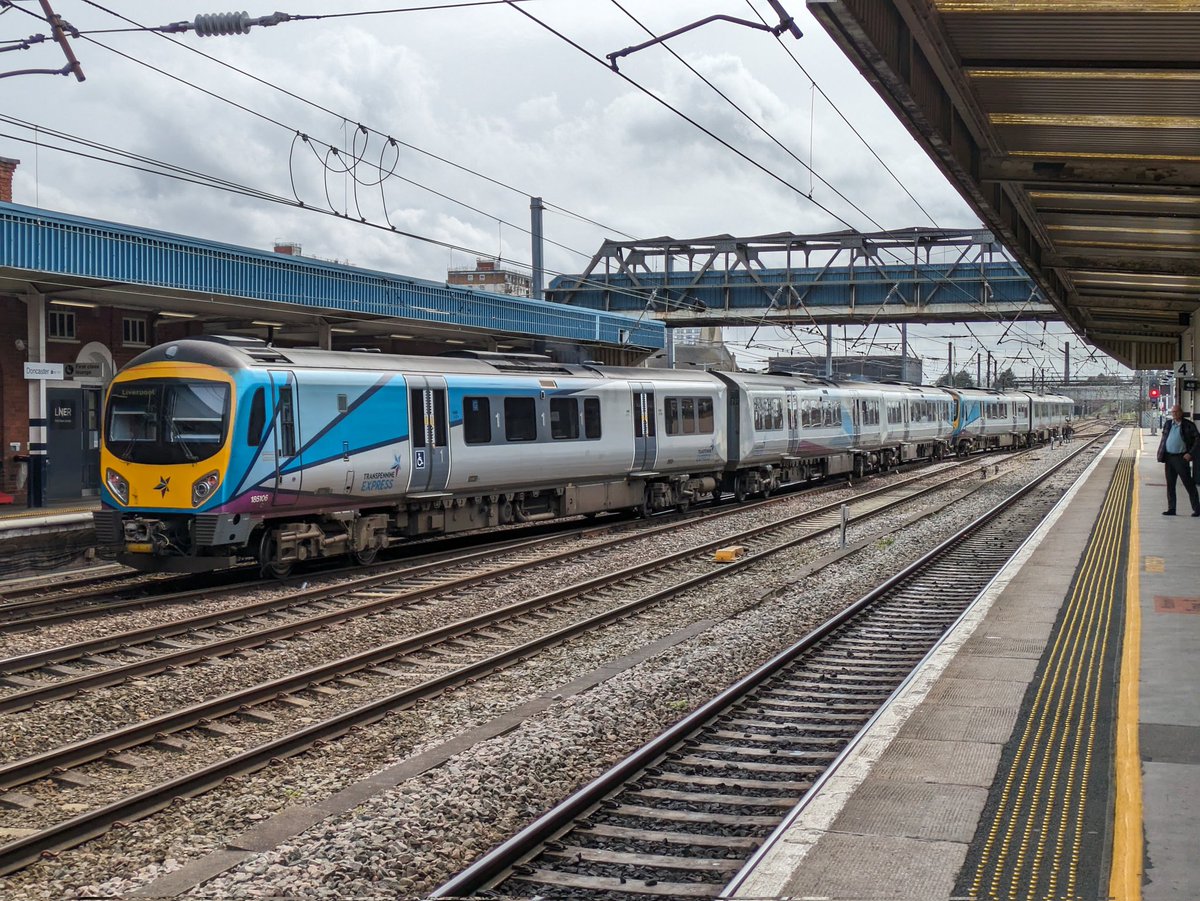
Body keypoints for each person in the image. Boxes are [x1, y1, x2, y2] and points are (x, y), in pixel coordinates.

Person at [1156, 404, 1200, 516]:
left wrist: (1190, 454)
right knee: (1170, 484)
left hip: (1181, 458)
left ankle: (1197, 509)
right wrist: (1161, 454)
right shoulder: (1168, 424)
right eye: (1173, 412)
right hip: (1169, 457)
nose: (1174, 414)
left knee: (1188, 483)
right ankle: (1172, 509)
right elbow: (1164, 440)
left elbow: (1197, 440)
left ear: (1181, 412)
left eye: (1176, 412)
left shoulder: (1188, 425)